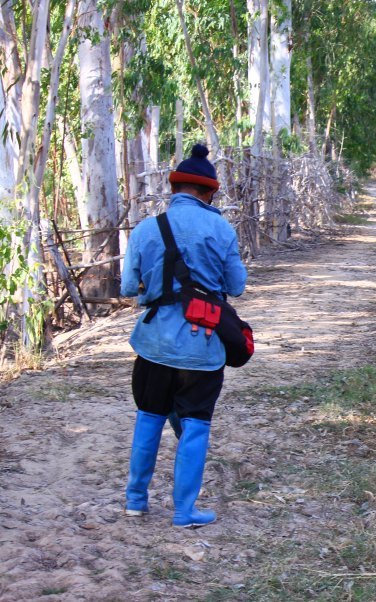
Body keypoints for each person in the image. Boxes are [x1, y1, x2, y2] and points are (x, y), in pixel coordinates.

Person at [121, 143, 247, 527]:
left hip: (153, 345)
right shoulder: (220, 228)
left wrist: (152, 291)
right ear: (210, 193)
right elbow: (237, 286)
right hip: (202, 347)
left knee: (149, 418)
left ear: (173, 188)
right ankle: (184, 510)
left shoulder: (146, 228)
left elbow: (128, 287)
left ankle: (135, 500)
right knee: (195, 426)